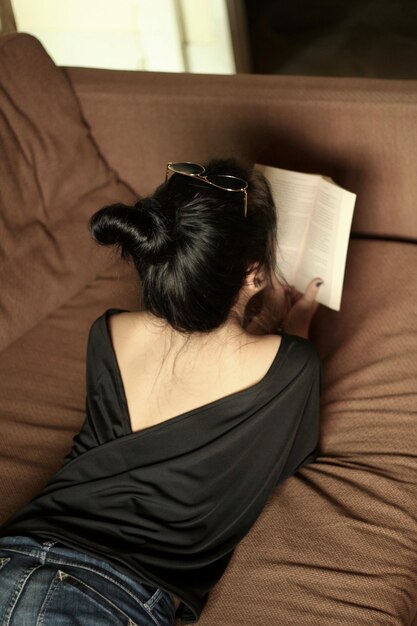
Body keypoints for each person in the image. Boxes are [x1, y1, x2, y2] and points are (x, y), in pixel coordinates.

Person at [0, 158, 322, 625]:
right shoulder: (292, 366)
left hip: (15, 552)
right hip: (108, 592)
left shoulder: (110, 331)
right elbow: (294, 450)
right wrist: (296, 328)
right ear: (255, 275)